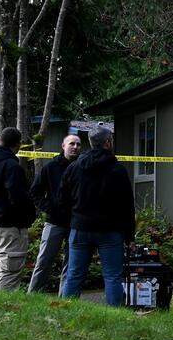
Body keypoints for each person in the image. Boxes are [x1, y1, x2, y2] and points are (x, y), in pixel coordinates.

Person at [59, 127, 136, 306]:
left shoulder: (74, 167)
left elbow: (62, 198)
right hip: (110, 230)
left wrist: (73, 217)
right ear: (108, 142)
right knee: (112, 276)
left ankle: (66, 311)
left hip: (80, 227)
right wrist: (129, 236)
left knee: (74, 274)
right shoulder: (117, 170)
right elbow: (127, 205)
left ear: (91, 143)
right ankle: (114, 315)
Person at [0, 127, 36, 291]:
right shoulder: (12, 166)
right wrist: (29, 217)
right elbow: (18, 198)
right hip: (10, 227)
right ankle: (3, 312)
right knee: (9, 272)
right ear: (18, 145)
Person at [27, 134, 82, 293]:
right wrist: (49, 208)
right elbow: (35, 192)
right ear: (63, 146)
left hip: (76, 223)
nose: (75, 147)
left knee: (71, 263)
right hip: (54, 222)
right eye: (72, 144)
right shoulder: (50, 168)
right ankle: (34, 294)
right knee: (44, 260)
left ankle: (66, 298)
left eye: (78, 144)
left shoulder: (83, 167)